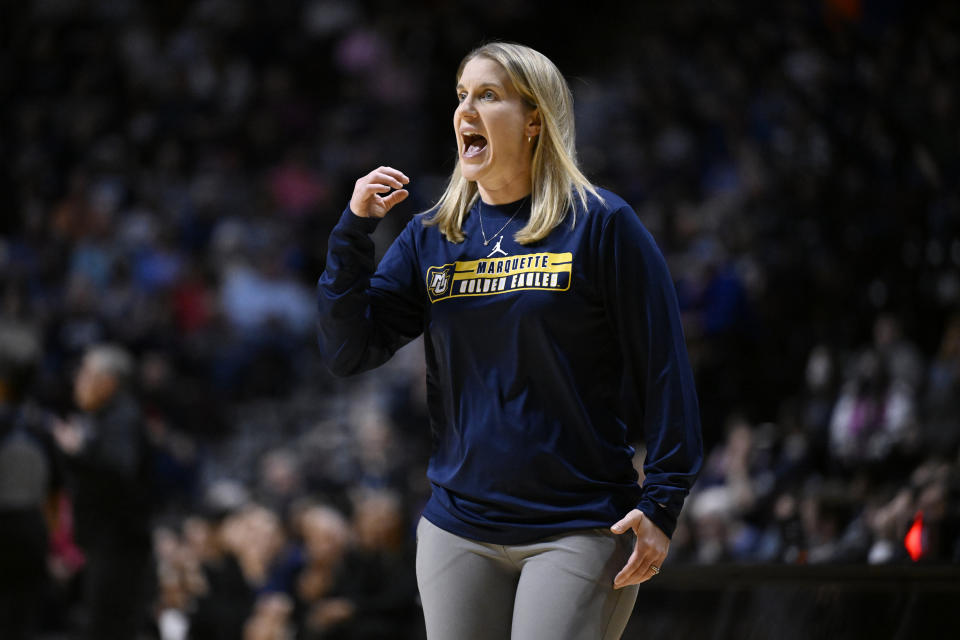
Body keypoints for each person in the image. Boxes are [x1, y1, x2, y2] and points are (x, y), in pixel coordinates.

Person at [317, 41, 703, 640]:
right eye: (461, 95)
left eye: (488, 95)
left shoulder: (602, 224)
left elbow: (666, 371)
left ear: (534, 120)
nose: (466, 109)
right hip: (456, 527)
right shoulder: (431, 237)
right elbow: (348, 351)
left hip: (576, 526)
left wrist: (662, 505)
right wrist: (353, 234)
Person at [51, 344, 154, 639]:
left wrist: (78, 451)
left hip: (118, 549)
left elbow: (119, 472)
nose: (77, 380)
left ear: (108, 381)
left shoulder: (122, 418)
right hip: (107, 545)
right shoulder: (107, 416)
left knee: (107, 629)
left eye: (85, 372)